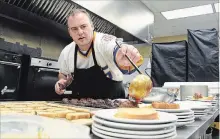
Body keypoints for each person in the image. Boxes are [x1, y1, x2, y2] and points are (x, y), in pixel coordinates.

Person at [55, 9, 143, 99]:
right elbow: (63, 73)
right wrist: (62, 81)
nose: (80, 32)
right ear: (69, 32)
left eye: (83, 26)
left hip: (112, 105)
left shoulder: (103, 41)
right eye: (74, 29)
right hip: (82, 108)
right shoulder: (66, 52)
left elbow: (114, 48)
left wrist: (122, 53)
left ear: (92, 26)